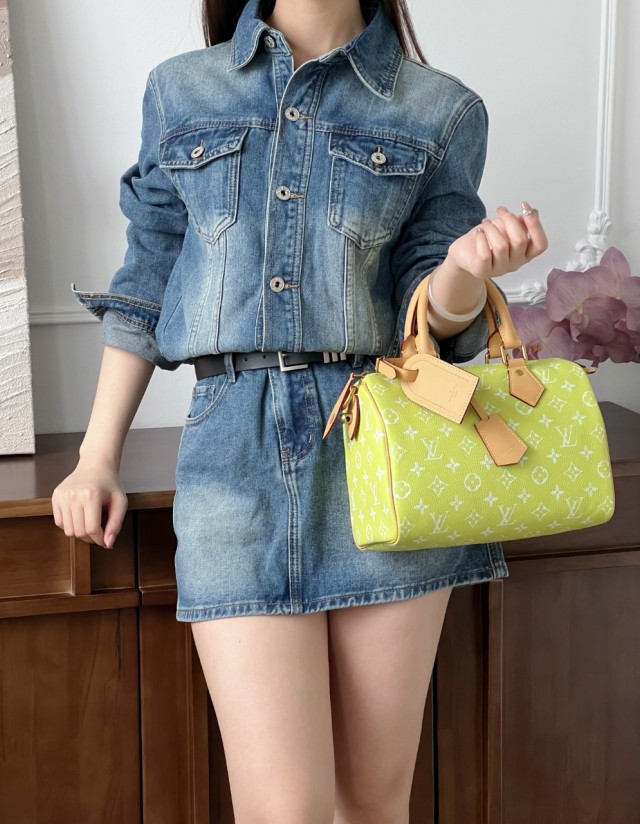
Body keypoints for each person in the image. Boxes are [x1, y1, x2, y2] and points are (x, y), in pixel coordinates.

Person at [53, 0, 548, 821]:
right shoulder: (183, 91)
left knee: (370, 805)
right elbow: (146, 280)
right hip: (231, 464)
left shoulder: (440, 108)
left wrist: (465, 271)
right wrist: (96, 457)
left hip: (382, 457)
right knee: (284, 809)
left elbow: (433, 320)